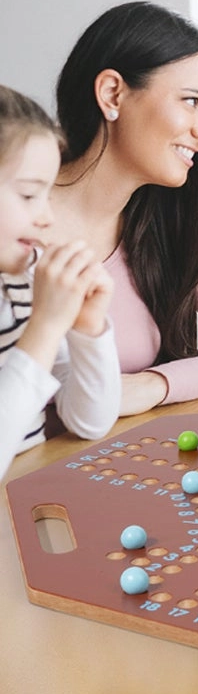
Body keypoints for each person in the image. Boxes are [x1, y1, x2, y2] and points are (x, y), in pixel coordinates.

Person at [50, 1, 198, 416]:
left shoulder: (172, 224)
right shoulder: (15, 220)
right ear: (112, 93)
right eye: (191, 101)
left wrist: (153, 386)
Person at [0, 85, 120, 479]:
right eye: (30, 195)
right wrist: (46, 327)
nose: (47, 217)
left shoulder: (23, 278)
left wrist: (87, 329)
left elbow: (90, 422)